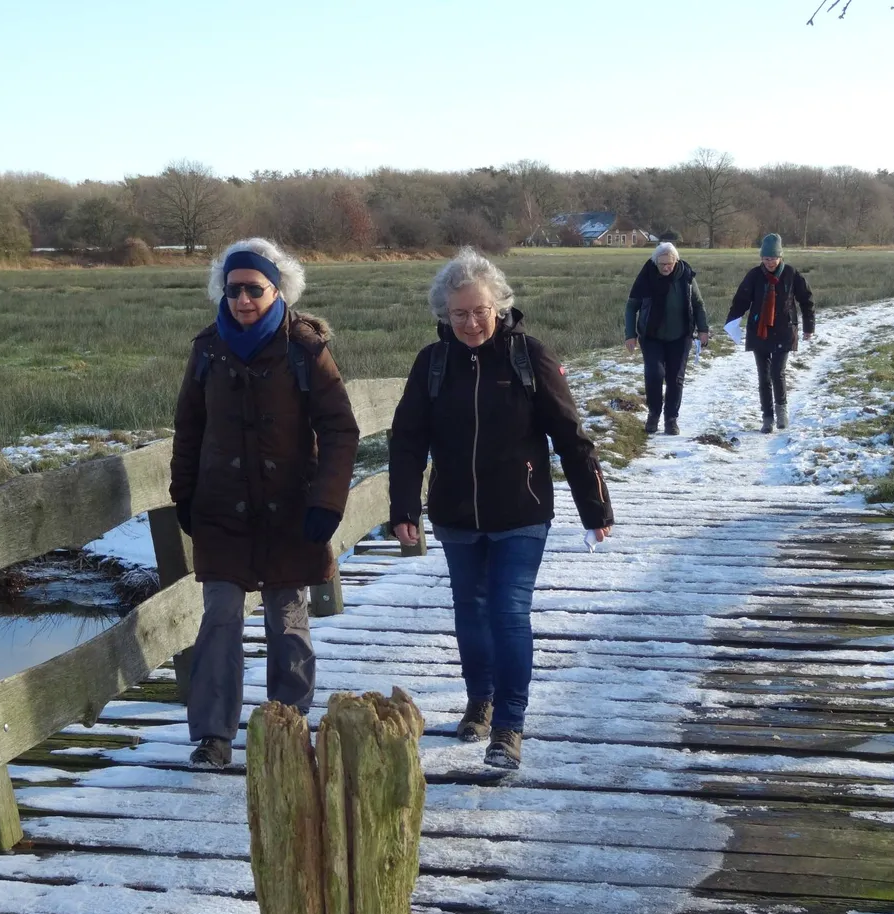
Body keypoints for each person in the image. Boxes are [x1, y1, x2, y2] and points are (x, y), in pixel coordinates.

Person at [388, 247, 614, 771]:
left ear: (500, 306)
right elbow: (406, 440)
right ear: (444, 314)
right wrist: (404, 507)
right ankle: (479, 700)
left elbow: (571, 435)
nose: (470, 322)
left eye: (480, 310)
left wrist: (595, 506)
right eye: (458, 313)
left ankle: (509, 724)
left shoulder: (528, 356)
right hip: (455, 514)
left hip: (521, 511)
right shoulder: (432, 363)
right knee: (470, 610)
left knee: (508, 612)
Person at [170, 238, 360, 769]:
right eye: (234, 290)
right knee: (220, 617)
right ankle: (212, 737)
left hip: (290, 511)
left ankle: (288, 728)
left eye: (255, 288)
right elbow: (188, 429)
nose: (243, 300)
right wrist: (183, 495)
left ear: (278, 288)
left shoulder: (305, 347)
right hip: (221, 510)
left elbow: (340, 430)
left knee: (286, 616)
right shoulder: (207, 348)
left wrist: (327, 502)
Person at [725, 233, 816, 434]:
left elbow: (806, 300)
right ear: (761, 259)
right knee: (763, 376)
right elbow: (740, 301)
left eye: (773, 258)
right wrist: (731, 323)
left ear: (780, 257)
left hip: (784, 331)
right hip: (760, 332)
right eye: (766, 259)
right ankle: (767, 418)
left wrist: (809, 327)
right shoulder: (754, 276)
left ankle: (781, 411)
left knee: (777, 372)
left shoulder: (792, 275)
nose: (770, 263)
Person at [624, 241, 710, 435]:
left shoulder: (686, 277)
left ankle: (671, 419)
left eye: (669, 263)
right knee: (654, 374)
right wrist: (630, 335)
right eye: (662, 264)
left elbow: (698, 304)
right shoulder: (646, 276)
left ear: (675, 261)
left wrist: (703, 329)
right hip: (651, 336)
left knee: (675, 378)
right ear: (656, 262)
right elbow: (631, 307)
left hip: (680, 336)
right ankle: (654, 414)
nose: (666, 267)